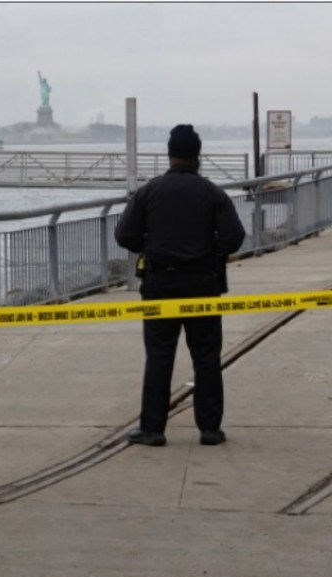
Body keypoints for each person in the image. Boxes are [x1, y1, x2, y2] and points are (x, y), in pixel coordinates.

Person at [115, 125, 246, 447]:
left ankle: (153, 429)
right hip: (203, 283)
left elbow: (124, 235)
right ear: (197, 155)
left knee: (159, 356)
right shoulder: (212, 193)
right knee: (206, 356)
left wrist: (150, 244)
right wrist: (210, 250)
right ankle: (210, 429)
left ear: (170, 153)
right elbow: (233, 238)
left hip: (160, 283)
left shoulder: (149, 192)